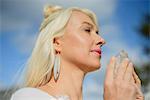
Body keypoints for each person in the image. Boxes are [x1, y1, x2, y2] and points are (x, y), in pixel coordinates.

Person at [10, 5, 144, 100]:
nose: (102, 40)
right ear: (57, 43)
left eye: (97, 33)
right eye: (87, 30)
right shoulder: (29, 97)